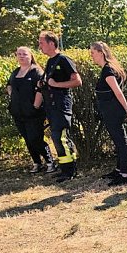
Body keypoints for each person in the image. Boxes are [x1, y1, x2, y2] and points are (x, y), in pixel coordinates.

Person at [38, 31, 82, 182]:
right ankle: (64, 168)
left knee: (61, 137)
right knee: (56, 137)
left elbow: (77, 81)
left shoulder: (63, 59)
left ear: (51, 43)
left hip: (61, 104)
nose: (39, 46)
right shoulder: (50, 61)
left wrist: (57, 84)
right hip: (51, 105)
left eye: (42, 42)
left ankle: (70, 170)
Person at [90, 42, 127, 186]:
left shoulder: (108, 71)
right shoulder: (109, 68)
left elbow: (117, 92)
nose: (91, 56)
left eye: (93, 53)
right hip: (111, 110)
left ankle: (124, 174)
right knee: (118, 141)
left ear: (101, 53)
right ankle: (118, 169)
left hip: (113, 111)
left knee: (121, 141)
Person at [6, 47, 55, 174]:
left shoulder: (36, 72)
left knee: (35, 138)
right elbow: (9, 85)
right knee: (27, 139)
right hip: (18, 112)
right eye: (19, 54)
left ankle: (50, 162)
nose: (21, 56)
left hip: (33, 113)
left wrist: (35, 106)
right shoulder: (15, 72)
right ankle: (37, 163)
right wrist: (12, 97)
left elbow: (41, 89)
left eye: (24, 54)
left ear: (30, 56)